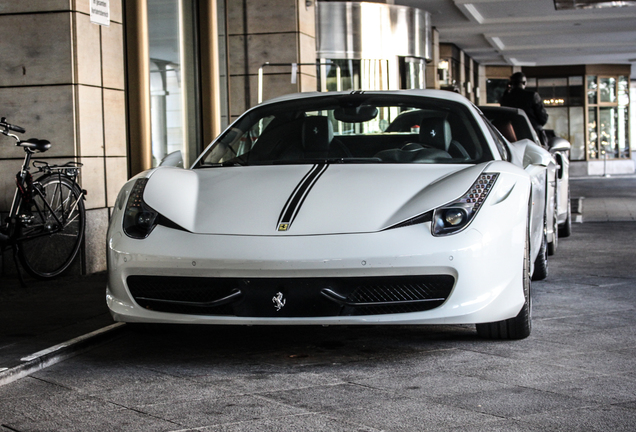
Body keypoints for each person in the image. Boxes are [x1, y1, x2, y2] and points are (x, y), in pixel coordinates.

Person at [500, 72, 549, 147]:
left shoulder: (506, 98)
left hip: (512, 136)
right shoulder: (532, 96)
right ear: (524, 83)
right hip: (532, 134)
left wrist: (507, 91)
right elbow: (543, 118)